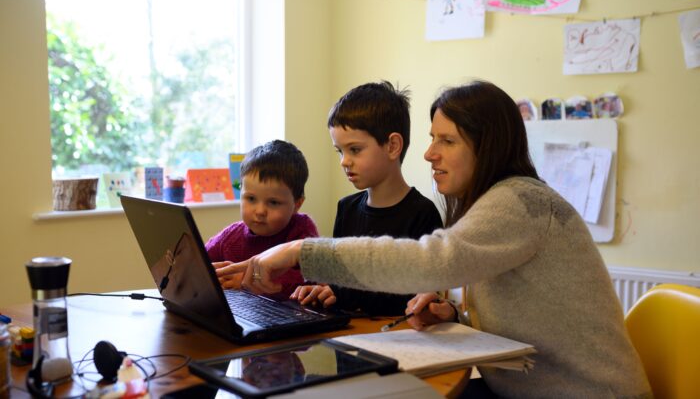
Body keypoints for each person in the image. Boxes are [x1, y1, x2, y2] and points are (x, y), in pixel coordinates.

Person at [217, 80, 652, 398]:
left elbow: (431, 261)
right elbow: (519, 313)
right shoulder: (491, 205)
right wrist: (455, 313)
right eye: (431, 139)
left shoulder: (520, 201)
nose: (428, 154)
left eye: (446, 140)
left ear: (486, 147)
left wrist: (299, 250)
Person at [290, 81, 443, 316]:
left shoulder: (423, 214)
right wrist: (321, 290)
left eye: (355, 150)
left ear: (392, 146)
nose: (344, 161)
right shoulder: (346, 208)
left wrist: (344, 294)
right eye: (340, 151)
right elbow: (337, 280)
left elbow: (415, 297)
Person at [206, 139, 318, 301]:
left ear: (297, 204)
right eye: (251, 199)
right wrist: (207, 275)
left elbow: (308, 279)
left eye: (273, 202)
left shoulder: (302, 232)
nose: (259, 211)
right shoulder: (231, 235)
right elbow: (198, 260)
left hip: (286, 318)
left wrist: (248, 280)